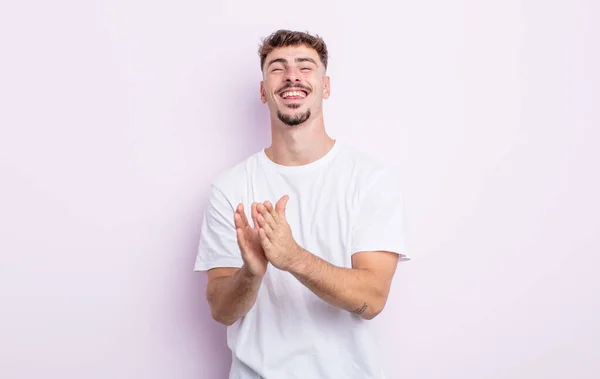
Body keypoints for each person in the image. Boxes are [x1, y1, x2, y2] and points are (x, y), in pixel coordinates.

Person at [194, 29, 410, 379]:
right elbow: (221, 309)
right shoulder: (230, 187)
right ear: (264, 91)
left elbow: (372, 298)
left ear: (325, 86)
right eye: (277, 67)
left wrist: (292, 258)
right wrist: (251, 271)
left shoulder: (371, 179)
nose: (292, 75)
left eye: (305, 66)